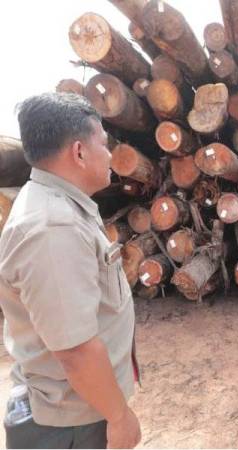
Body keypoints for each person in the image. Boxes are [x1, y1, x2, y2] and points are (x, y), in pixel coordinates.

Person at [0, 93, 141, 449]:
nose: (110, 155)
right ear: (79, 152)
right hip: (71, 424)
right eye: (104, 145)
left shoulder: (62, 204)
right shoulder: (52, 228)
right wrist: (119, 417)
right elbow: (75, 351)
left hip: (78, 409)